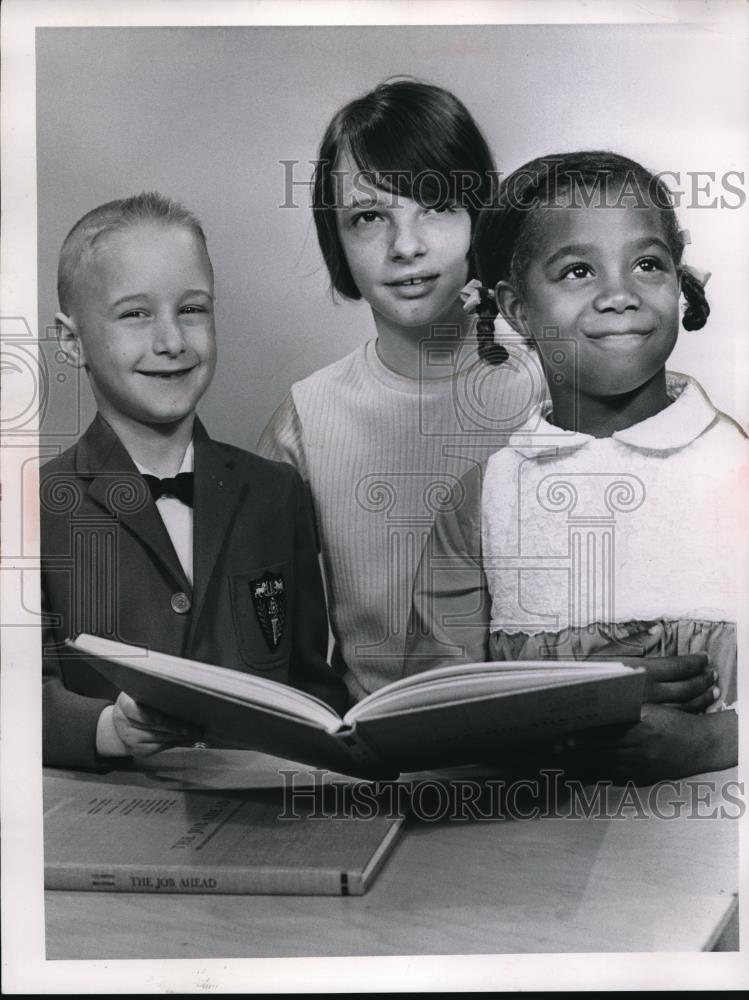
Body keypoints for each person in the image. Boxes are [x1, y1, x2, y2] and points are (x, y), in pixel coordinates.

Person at [407, 151, 743, 782]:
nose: (619, 295)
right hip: (527, 850)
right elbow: (425, 713)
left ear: (678, 281)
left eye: (647, 264)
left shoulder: (736, 469)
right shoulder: (485, 502)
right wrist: (571, 702)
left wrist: (711, 743)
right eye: (578, 271)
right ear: (517, 309)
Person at [257, 79, 546, 702]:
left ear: (481, 215)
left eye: (436, 205)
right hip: (381, 769)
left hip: (553, 756)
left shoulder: (550, 390)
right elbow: (281, 652)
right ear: (336, 239)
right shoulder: (305, 420)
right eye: (369, 217)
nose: (406, 246)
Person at [42, 192, 347, 770]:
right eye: (135, 314)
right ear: (71, 340)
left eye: (193, 309)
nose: (172, 341)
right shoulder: (31, 508)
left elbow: (312, 688)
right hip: (109, 829)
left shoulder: (277, 493)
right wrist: (108, 729)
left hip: (265, 826)